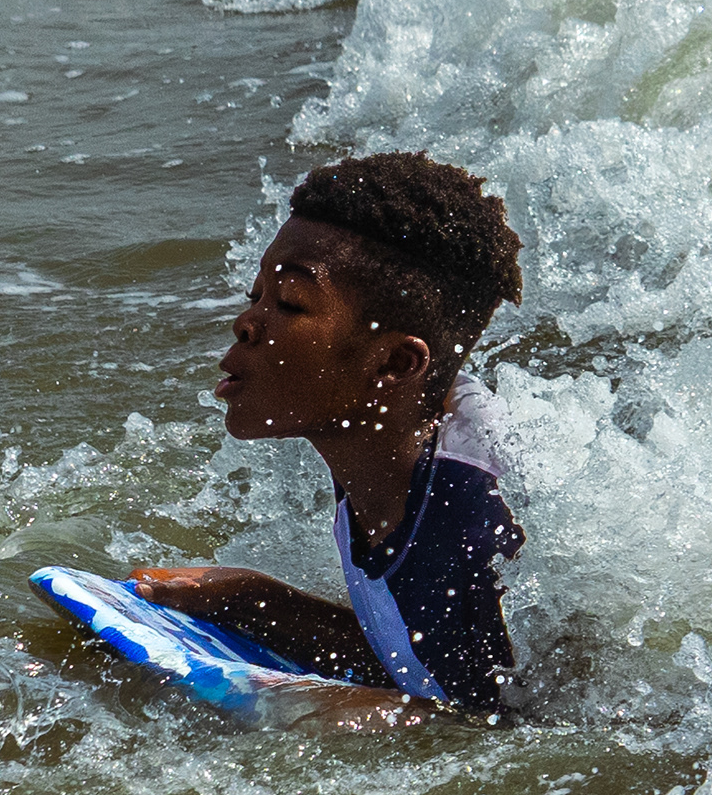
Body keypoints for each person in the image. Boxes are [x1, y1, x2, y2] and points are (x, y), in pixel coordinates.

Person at [131, 153, 526, 726]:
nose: (247, 323)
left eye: (289, 304)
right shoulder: (386, 441)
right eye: (255, 295)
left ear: (392, 361)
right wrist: (254, 600)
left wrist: (369, 713)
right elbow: (425, 651)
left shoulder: (476, 519)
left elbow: (543, 733)